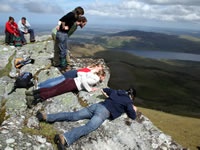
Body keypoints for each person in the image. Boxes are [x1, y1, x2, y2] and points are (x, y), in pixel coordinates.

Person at [36, 87, 137, 149]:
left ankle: (46, 116)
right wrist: (133, 109)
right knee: (87, 128)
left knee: (73, 115)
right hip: (103, 113)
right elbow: (133, 116)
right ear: (132, 97)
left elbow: (105, 89)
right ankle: (65, 138)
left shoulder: (117, 92)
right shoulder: (128, 102)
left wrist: (107, 95)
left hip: (96, 106)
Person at [25, 69, 106, 108]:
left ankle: (33, 92)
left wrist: (80, 80)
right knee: (53, 92)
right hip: (72, 84)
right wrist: (90, 89)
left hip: (70, 80)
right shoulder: (96, 79)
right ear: (101, 76)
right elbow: (84, 81)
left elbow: (80, 73)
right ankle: (32, 99)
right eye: (104, 77)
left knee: (53, 88)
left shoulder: (91, 73)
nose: (103, 79)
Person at [55, 6, 84, 72]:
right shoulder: (71, 14)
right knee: (62, 50)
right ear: (78, 12)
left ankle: (64, 65)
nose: (80, 15)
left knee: (64, 49)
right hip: (61, 33)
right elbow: (62, 19)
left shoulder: (75, 17)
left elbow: (79, 22)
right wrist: (63, 26)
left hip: (64, 34)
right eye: (81, 14)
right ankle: (62, 66)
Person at [38, 62, 103, 89]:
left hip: (71, 73)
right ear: (97, 66)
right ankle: (40, 87)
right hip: (72, 75)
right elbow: (81, 74)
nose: (100, 69)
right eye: (100, 67)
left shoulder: (89, 67)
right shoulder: (91, 70)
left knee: (54, 79)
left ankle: (40, 85)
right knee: (55, 83)